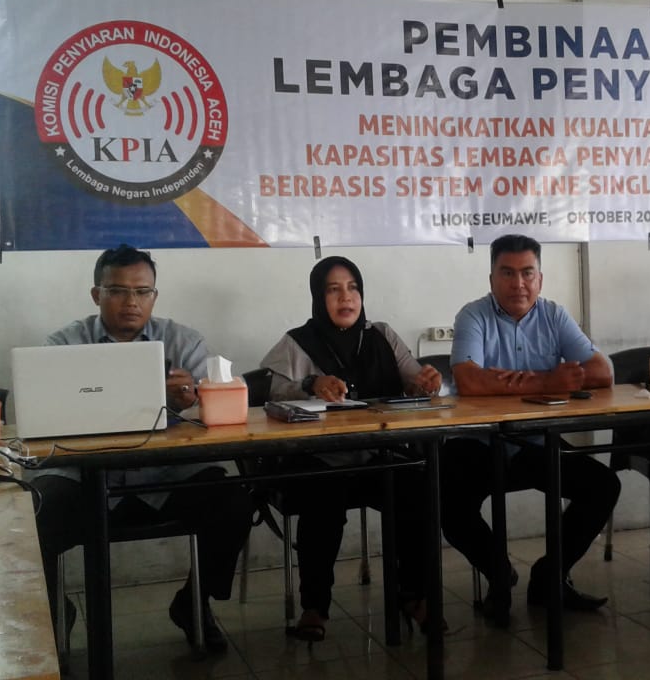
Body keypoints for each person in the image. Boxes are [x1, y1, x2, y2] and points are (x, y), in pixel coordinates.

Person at [30, 244, 253, 654]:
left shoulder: (183, 341)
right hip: (84, 479)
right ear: (96, 295)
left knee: (234, 501)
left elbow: (218, 411)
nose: (131, 301)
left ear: (154, 295)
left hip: (164, 475)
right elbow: (40, 413)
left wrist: (195, 400)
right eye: (117, 290)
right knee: (34, 511)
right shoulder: (63, 345)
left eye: (142, 291)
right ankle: (54, 611)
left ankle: (193, 602)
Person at [260, 256, 443, 641]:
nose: (346, 297)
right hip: (321, 459)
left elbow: (413, 378)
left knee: (416, 489)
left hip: (379, 455)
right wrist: (310, 385)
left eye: (353, 288)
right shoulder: (297, 342)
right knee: (322, 499)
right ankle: (314, 606)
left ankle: (413, 595)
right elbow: (270, 394)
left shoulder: (381, 334)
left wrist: (424, 383)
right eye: (334, 290)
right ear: (318, 297)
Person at [443, 234, 619, 626]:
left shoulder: (554, 315)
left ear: (540, 278)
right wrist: (549, 381)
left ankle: (548, 576)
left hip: (535, 442)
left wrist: (509, 381)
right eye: (507, 273)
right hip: (479, 441)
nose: (518, 284)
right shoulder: (473, 315)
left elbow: (602, 373)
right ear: (492, 278)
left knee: (602, 486)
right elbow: (469, 381)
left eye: (527, 273)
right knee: (446, 500)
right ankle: (498, 572)